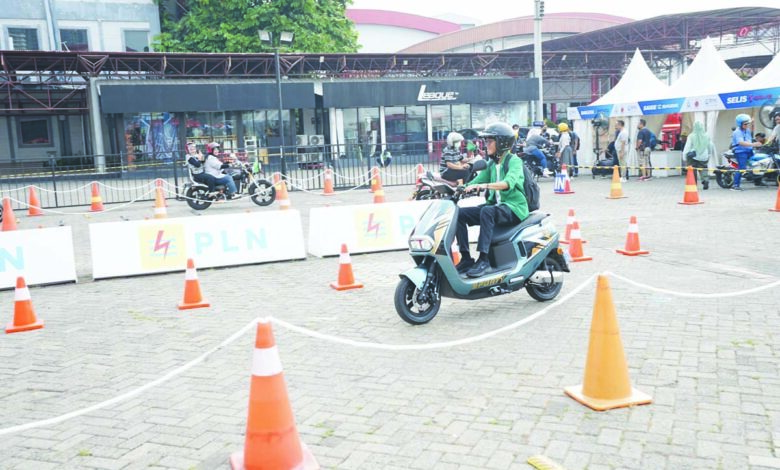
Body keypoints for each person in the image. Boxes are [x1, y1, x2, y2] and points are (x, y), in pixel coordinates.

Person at [455, 122, 528, 278]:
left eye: (489, 141)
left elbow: (508, 183)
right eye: (485, 141)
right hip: (496, 207)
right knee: (459, 215)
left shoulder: (514, 161)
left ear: (502, 142)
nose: (485, 144)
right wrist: (462, 188)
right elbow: (477, 180)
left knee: (487, 211)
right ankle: (466, 258)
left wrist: (485, 186)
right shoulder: (491, 164)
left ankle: (484, 260)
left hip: (513, 208)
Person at [731, 114, 763, 191]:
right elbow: (741, 142)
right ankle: (735, 185)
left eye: (748, 123)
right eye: (745, 124)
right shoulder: (737, 132)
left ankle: (758, 181)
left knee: (756, 164)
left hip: (749, 150)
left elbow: (749, 138)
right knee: (741, 168)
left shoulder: (747, 130)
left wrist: (752, 123)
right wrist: (754, 144)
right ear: (740, 124)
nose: (747, 125)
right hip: (741, 152)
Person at [682, 121, 715, 190]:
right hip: (704, 156)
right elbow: (710, 146)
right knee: (703, 169)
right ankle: (705, 180)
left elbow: (687, 147)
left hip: (693, 156)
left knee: (692, 170)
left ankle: (693, 184)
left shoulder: (691, 136)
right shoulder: (706, 136)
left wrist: (684, 156)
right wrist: (709, 154)